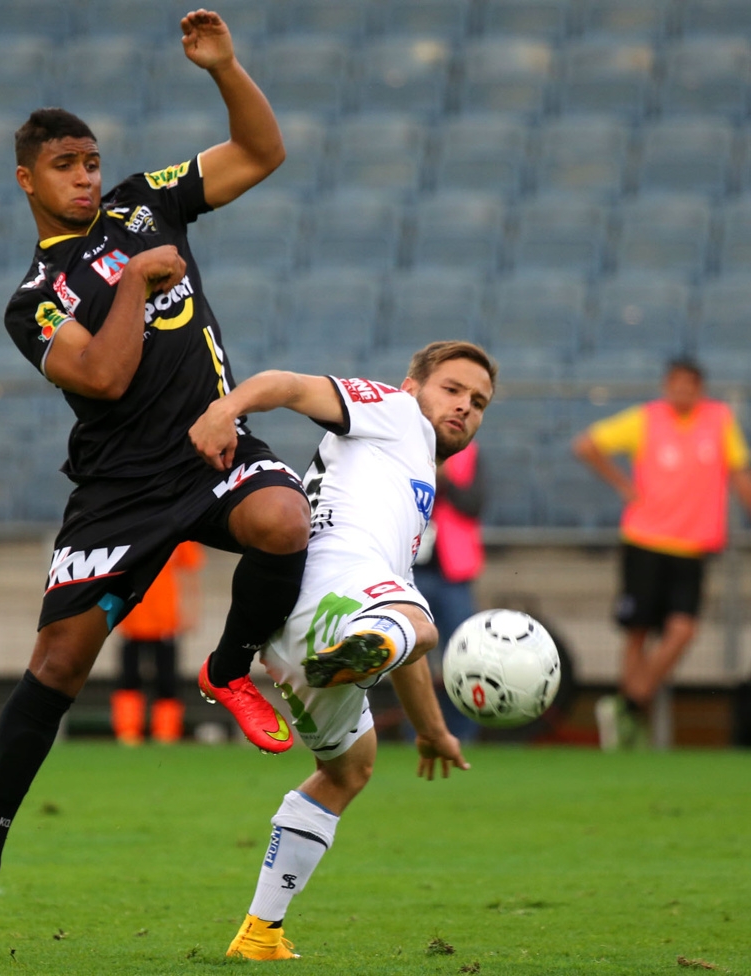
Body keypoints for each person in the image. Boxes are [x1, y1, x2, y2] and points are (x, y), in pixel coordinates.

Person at [0, 10, 311, 960]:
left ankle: (227, 669)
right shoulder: (34, 300)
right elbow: (100, 379)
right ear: (28, 178)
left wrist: (225, 69)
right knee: (59, 669)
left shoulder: (151, 203)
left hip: (210, 449)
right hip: (119, 491)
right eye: (67, 166)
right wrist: (139, 283)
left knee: (285, 519)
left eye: (93, 162)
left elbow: (262, 152)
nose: (88, 178)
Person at [187, 341, 496, 960]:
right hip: (335, 583)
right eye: (453, 389)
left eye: (479, 402)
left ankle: (259, 934)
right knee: (420, 622)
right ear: (413, 387)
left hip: (294, 634)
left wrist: (432, 731)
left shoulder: (410, 473)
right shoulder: (394, 411)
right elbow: (290, 384)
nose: (464, 407)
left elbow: (402, 650)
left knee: (349, 769)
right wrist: (229, 409)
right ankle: (360, 648)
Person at [573, 358, 751, 750]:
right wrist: (622, 484)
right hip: (645, 539)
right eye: (676, 384)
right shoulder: (647, 419)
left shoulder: (719, 420)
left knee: (682, 629)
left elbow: (739, 473)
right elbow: (586, 444)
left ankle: (629, 704)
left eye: (689, 385)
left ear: (700, 388)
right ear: (667, 385)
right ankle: (629, 727)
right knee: (636, 632)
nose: (682, 392)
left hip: (694, 545)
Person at [412, 439, 485, 743]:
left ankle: (464, 734)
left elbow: (474, 504)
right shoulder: (403, 447)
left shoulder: (470, 454)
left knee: (463, 658)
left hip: (453, 574)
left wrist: (446, 481)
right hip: (411, 573)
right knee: (412, 658)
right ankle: (417, 733)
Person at [111, 540, 204, 745]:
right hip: (132, 621)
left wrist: (191, 611)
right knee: (128, 678)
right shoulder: (131, 532)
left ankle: (166, 733)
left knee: (167, 680)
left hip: (166, 622)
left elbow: (190, 573)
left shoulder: (180, 535)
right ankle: (127, 732)